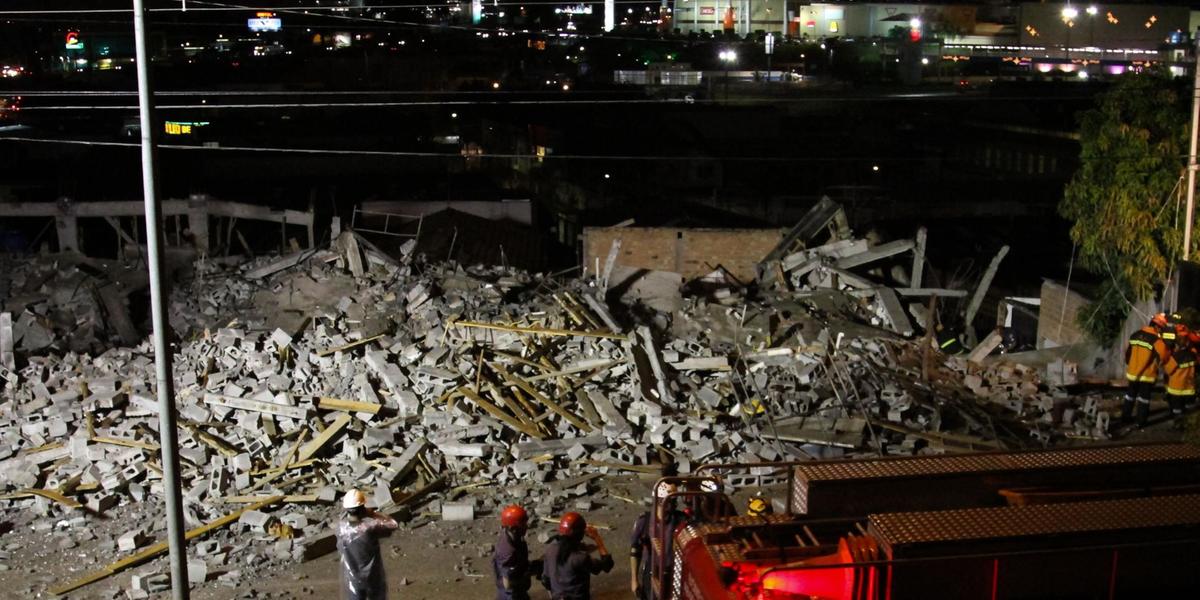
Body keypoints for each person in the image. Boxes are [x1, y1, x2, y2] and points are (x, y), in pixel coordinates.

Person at [336, 489, 399, 600]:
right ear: (362, 508)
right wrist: (372, 513)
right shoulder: (369, 528)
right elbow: (393, 524)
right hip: (372, 578)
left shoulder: (340, 529)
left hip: (353, 579)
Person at [540, 512, 614, 600]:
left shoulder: (550, 550)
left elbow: (545, 581)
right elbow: (607, 565)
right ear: (580, 535)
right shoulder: (580, 558)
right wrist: (597, 539)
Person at [1123, 313, 1170, 427]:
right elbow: (1164, 357)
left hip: (1133, 373)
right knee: (1144, 399)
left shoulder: (1135, 335)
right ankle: (1140, 422)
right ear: (1157, 327)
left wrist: (1131, 365)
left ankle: (1125, 418)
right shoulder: (1156, 340)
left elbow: (1128, 354)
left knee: (1130, 396)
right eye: (1161, 329)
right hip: (1147, 375)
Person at [493, 504, 536, 600]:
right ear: (513, 529)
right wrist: (525, 575)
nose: (526, 526)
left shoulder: (512, 536)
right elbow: (507, 584)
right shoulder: (508, 551)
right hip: (511, 595)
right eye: (523, 524)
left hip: (517, 589)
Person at [1164, 327, 1196, 430]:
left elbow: (1168, 370)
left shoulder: (1176, 356)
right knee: (1188, 409)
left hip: (1176, 389)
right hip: (1189, 388)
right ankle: (1188, 425)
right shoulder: (1193, 355)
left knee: (1176, 409)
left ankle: (1178, 425)